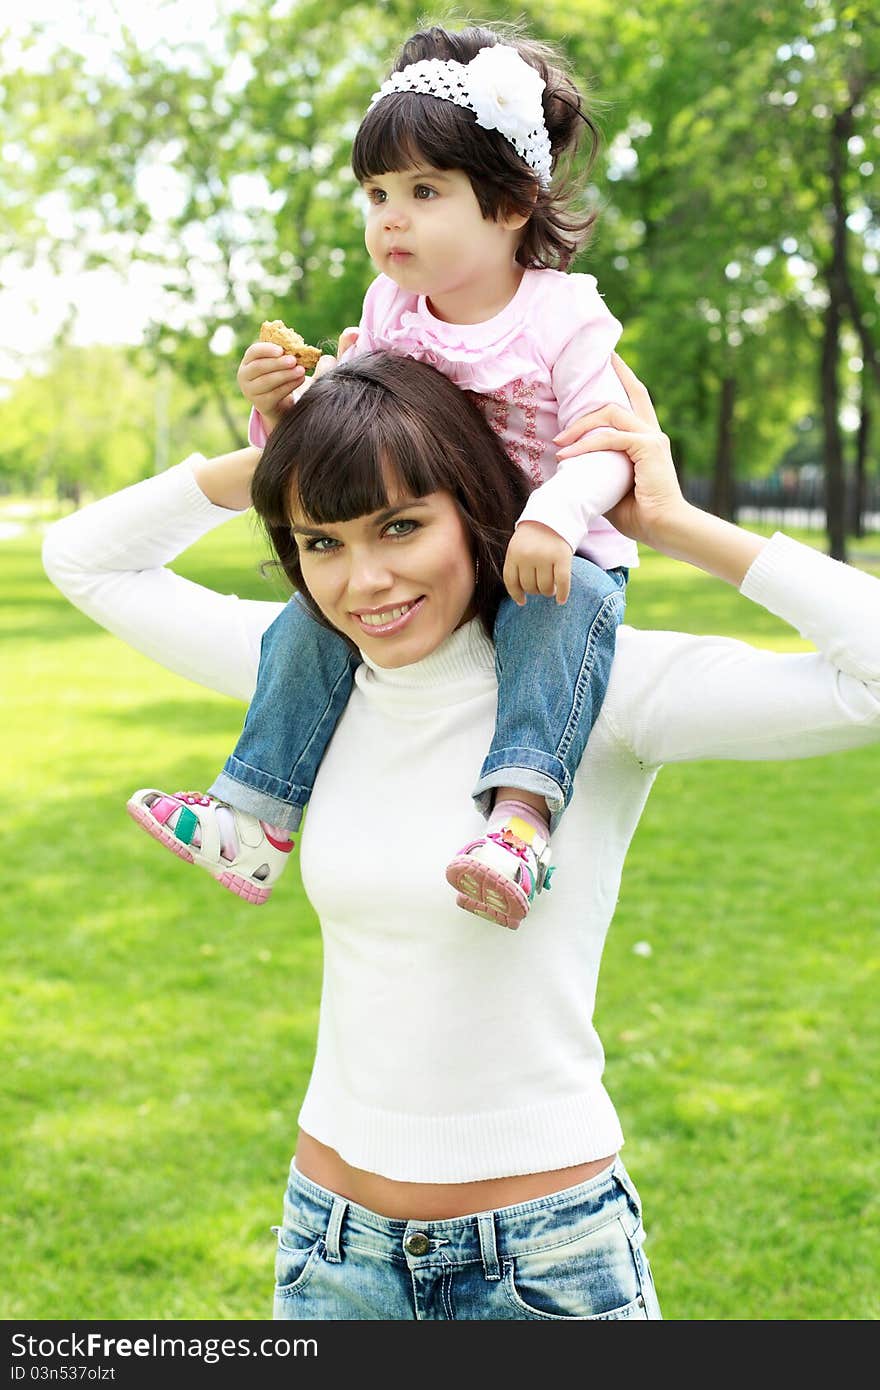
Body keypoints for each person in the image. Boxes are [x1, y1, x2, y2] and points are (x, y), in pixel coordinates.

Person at [43, 351, 880, 1321]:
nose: (364, 581)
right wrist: (284, 458)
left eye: (401, 525)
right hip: (332, 1251)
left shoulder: (587, 687)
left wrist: (669, 524)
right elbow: (84, 558)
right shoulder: (308, 681)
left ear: (477, 505)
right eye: (321, 541)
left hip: (540, 1261)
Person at [126, 21, 640, 929]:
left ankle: (517, 824)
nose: (389, 217)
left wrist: (554, 518)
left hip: (544, 549)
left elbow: (607, 445)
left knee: (569, 612)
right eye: (375, 193)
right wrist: (282, 409)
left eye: (424, 190)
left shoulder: (566, 317)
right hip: (437, 545)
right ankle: (254, 816)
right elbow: (357, 426)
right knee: (306, 624)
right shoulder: (391, 306)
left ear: (512, 204)